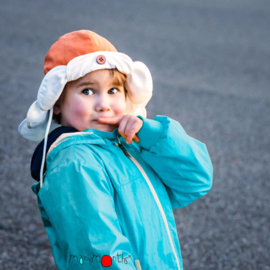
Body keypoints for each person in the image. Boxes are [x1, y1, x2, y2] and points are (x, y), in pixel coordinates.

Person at [18, 30, 213, 270]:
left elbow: (195, 180)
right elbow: (99, 254)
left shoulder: (131, 144)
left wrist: (152, 135)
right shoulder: (74, 163)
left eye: (113, 90)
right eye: (87, 91)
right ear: (57, 103)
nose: (104, 105)